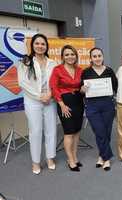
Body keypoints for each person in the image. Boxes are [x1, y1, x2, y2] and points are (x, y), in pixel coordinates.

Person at [17, 33, 57, 174]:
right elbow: (23, 83)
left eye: (43, 44)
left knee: (51, 129)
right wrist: (40, 96)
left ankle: (50, 158)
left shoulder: (53, 63)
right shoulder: (25, 62)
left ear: (46, 46)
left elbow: (55, 82)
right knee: (35, 131)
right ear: (32, 45)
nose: (40, 46)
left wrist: (50, 95)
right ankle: (36, 162)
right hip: (33, 101)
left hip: (50, 100)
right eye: (37, 43)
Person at [80, 47, 118, 171]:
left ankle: (101, 157)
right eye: (94, 56)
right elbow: (81, 90)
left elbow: (116, 88)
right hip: (92, 106)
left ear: (103, 57)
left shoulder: (109, 71)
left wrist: (116, 101)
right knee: (99, 131)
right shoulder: (86, 72)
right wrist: (83, 90)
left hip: (107, 104)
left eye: (99, 56)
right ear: (90, 58)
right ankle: (107, 158)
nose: (97, 58)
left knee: (106, 131)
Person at [50, 45, 84, 172]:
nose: (70, 57)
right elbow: (53, 87)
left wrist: (83, 89)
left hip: (78, 101)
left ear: (76, 56)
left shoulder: (80, 70)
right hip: (65, 102)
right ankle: (70, 160)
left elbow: (82, 86)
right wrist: (62, 105)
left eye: (72, 54)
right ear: (63, 57)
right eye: (67, 54)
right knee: (69, 132)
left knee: (77, 131)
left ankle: (75, 157)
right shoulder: (57, 69)